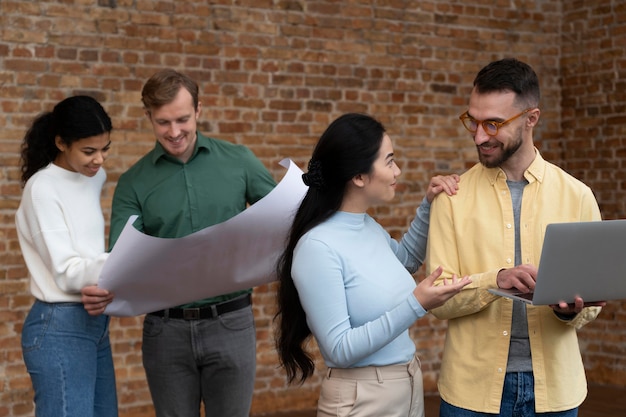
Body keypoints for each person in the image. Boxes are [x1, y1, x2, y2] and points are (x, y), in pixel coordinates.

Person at [83, 69, 276, 417]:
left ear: (199, 110)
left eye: (183, 119)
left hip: (230, 323)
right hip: (165, 331)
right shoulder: (133, 183)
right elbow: (122, 259)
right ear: (148, 118)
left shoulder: (240, 161)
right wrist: (103, 286)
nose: (174, 133)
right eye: (163, 123)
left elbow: (282, 221)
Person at [426, 58, 605, 417]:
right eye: (473, 122)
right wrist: (496, 280)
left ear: (531, 118)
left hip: (555, 391)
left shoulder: (578, 195)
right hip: (471, 394)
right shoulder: (451, 199)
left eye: (492, 124)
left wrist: (571, 312)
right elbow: (437, 301)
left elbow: (595, 299)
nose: (479, 136)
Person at [275, 112, 471, 417]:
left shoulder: (367, 226)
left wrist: (429, 205)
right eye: (389, 161)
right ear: (359, 176)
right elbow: (339, 350)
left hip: (406, 389)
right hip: (362, 402)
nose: (398, 171)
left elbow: (403, 261)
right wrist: (416, 303)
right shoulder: (317, 247)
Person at [16, 95, 117, 417]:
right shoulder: (42, 188)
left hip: (96, 321)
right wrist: (125, 262)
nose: (99, 160)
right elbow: (66, 271)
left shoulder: (93, 177)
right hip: (58, 326)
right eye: (89, 151)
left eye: (105, 149)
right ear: (61, 142)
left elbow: (87, 252)